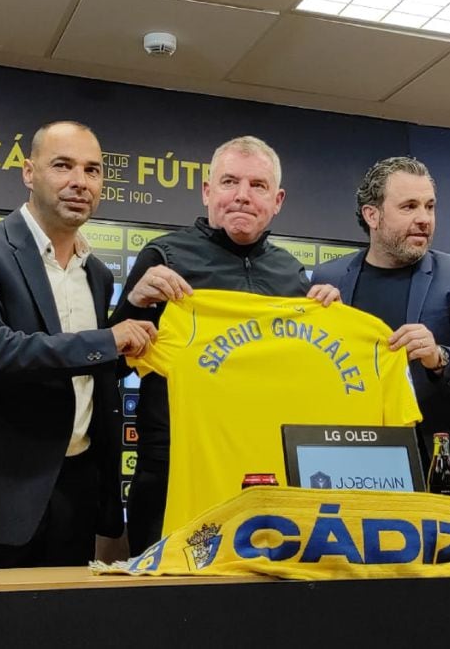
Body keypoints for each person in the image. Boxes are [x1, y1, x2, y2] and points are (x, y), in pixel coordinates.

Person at [0, 121, 157, 569]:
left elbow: (93, 368)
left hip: (76, 497)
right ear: (29, 173)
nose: (79, 182)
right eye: (62, 166)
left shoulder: (97, 274)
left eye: (92, 170)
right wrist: (109, 338)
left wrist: (136, 314)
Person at [111, 135, 339, 555]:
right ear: (207, 190)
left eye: (258, 186)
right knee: (162, 603)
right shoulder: (163, 256)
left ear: (278, 200)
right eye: (230, 182)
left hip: (265, 469)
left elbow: (306, 376)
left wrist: (330, 324)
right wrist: (133, 305)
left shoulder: (292, 274)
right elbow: (111, 367)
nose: (242, 197)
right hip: (176, 466)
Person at [311, 156, 450, 516]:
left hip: (442, 468)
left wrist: (439, 357)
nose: (424, 219)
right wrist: (317, 325)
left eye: (430, 206)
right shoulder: (329, 278)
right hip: (356, 466)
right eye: (409, 206)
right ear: (372, 215)